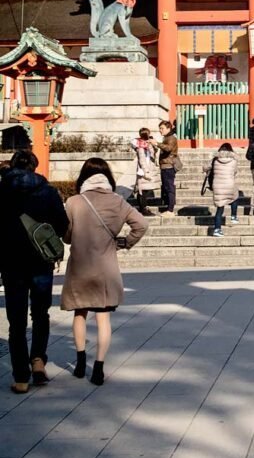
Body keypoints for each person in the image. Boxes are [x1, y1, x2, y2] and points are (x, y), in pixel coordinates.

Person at [61, 157, 147, 385]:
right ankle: (98, 366)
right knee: (103, 318)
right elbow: (142, 225)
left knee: (79, 314)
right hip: (105, 268)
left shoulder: (74, 202)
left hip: (80, 266)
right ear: (107, 177)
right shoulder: (118, 202)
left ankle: (80, 361)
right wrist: (125, 242)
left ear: (83, 177)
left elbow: (67, 236)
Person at [0, 150, 68, 394]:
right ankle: (38, 360)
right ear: (35, 167)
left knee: (16, 321)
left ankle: (20, 377)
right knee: (40, 313)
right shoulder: (47, 191)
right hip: (41, 261)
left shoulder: (2, 190)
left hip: (10, 263)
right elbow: (62, 225)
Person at [205, 142, 239, 235]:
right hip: (229, 183)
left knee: (219, 209)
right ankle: (233, 216)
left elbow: (205, 168)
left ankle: (217, 229)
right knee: (234, 197)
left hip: (217, 185)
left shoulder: (214, 159)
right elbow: (235, 171)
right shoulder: (234, 160)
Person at [130, 127, 159, 215]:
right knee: (142, 190)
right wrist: (146, 171)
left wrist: (153, 144)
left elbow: (154, 153)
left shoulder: (148, 144)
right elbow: (142, 160)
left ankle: (143, 208)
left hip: (148, 168)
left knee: (145, 189)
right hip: (143, 171)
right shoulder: (140, 145)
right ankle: (143, 209)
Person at [158, 120, 179, 215]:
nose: (160, 130)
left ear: (168, 128)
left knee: (169, 188)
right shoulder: (167, 137)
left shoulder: (171, 138)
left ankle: (170, 209)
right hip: (165, 165)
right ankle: (168, 208)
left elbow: (168, 148)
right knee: (166, 188)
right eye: (160, 128)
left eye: (162, 128)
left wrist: (157, 144)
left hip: (168, 166)